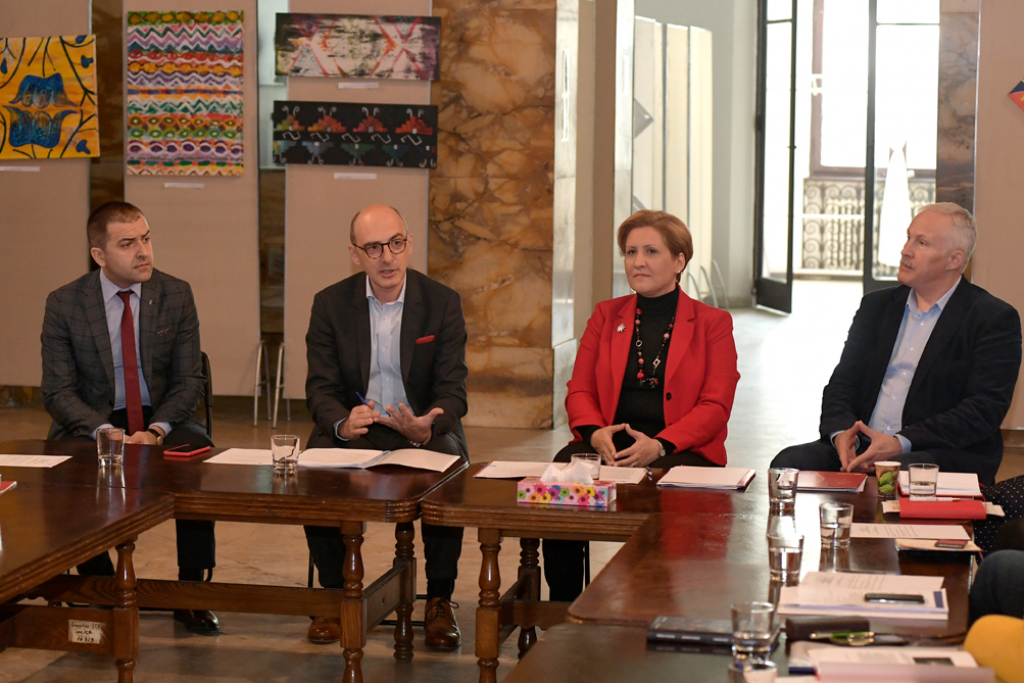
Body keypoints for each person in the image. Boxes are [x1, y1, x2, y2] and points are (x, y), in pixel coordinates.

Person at [543, 209, 740, 601]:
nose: (638, 262)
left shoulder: (712, 323)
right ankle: (563, 609)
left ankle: (658, 602)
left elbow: (716, 405)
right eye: (631, 252)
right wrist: (594, 433)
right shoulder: (606, 315)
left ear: (679, 261)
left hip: (681, 450)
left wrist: (661, 445)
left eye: (651, 251)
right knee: (561, 483)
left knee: (671, 508)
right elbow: (579, 389)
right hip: (609, 446)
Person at [40, 201, 219, 634]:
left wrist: (156, 431)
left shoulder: (175, 294)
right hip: (94, 420)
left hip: (162, 415)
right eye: (127, 243)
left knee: (196, 458)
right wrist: (106, 433)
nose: (143, 251)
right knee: (67, 471)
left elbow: (189, 380)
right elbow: (58, 391)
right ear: (99, 255)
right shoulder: (65, 303)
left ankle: (191, 590)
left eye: (146, 238)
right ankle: (101, 587)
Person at [302, 204, 468, 648]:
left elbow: (453, 391)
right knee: (314, 473)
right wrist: (341, 422)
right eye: (373, 248)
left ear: (409, 244)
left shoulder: (442, 302)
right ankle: (334, 595)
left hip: (420, 427)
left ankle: (439, 598)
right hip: (360, 425)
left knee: (450, 473)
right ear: (355, 254)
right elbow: (320, 388)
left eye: (395, 243)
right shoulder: (330, 304)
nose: (387, 257)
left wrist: (427, 425)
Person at [771, 203, 1022, 486]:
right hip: (863, 446)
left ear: (954, 259)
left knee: (894, 476)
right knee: (788, 465)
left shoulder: (993, 318)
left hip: (936, 451)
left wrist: (901, 442)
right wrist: (841, 435)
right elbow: (843, 383)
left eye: (921, 243)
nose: (906, 250)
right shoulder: (876, 306)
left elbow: (984, 409)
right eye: (908, 238)